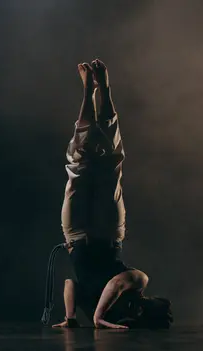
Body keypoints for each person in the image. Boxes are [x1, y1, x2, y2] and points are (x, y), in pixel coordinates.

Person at [52, 60, 172, 329]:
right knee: (109, 166)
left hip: (77, 234)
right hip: (108, 232)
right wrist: (97, 317)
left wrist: (70, 318)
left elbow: (70, 283)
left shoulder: (117, 314)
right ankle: (101, 90)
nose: (136, 309)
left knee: (79, 165)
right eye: (142, 308)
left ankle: (87, 92)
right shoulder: (138, 281)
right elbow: (116, 283)